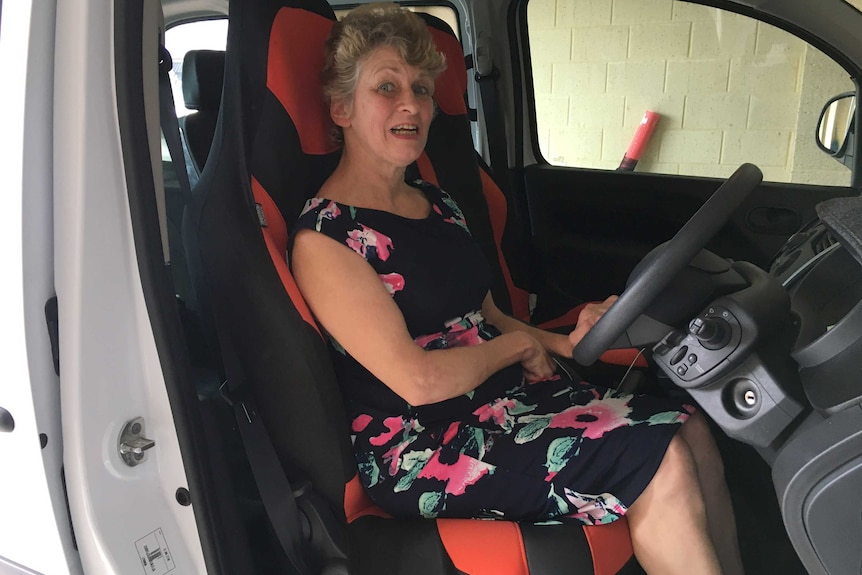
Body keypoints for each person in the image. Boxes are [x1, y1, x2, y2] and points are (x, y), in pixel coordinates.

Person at [290, 4, 744, 574]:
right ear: (341, 108)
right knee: (664, 460)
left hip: (499, 405)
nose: (412, 104)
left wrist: (571, 342)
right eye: (387, 87)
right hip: (422, 446)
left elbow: (488, 318)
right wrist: (519, 350)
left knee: (692, 428)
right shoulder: (327, 239)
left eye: (423, 89)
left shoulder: (436, 204)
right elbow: (419, 381)